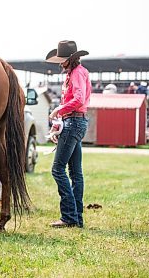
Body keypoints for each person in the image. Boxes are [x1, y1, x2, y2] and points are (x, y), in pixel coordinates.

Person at [46, 40, 91, 228]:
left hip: (73, 121)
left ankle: (69, 216)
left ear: (70, 59)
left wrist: (59, 109)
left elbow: (79, 98)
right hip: (75, 121)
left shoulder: (76, 74)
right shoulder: (79, 72)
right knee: (75, 172)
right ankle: (76, 217)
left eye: (63, 60)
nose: (60, 63)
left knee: (58, 169)